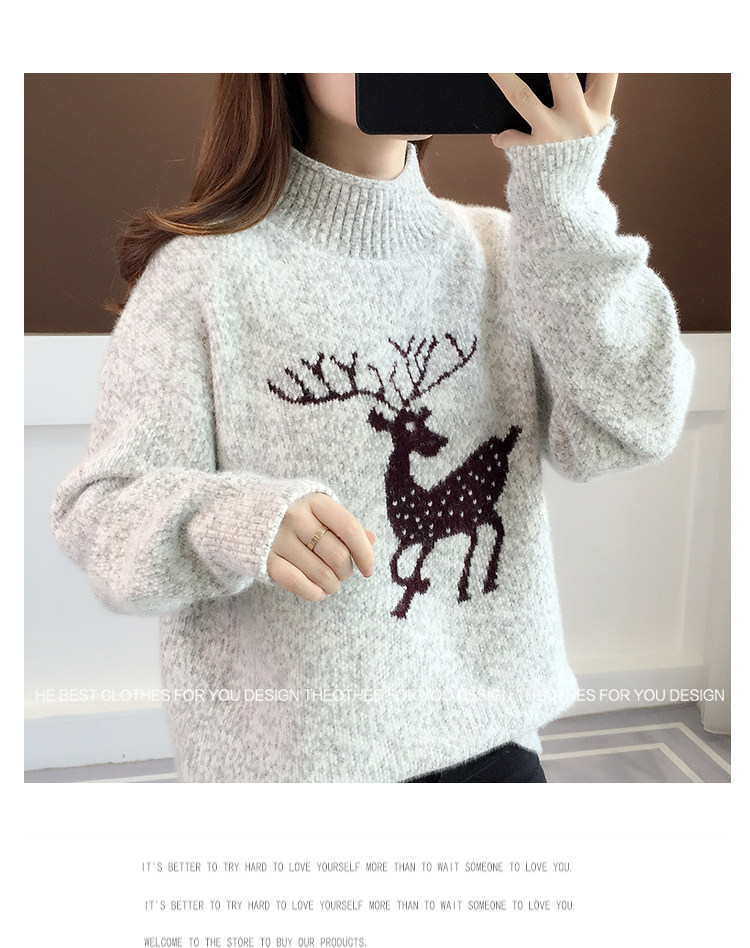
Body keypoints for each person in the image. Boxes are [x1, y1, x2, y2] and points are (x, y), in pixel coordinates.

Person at [49, 73, 695, 783]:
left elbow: (631, 426)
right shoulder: (201, 276)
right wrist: (236, 521)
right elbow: (98, 513)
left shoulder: (507, 251)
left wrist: (566, 199)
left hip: (493, 752)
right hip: (291, 775)